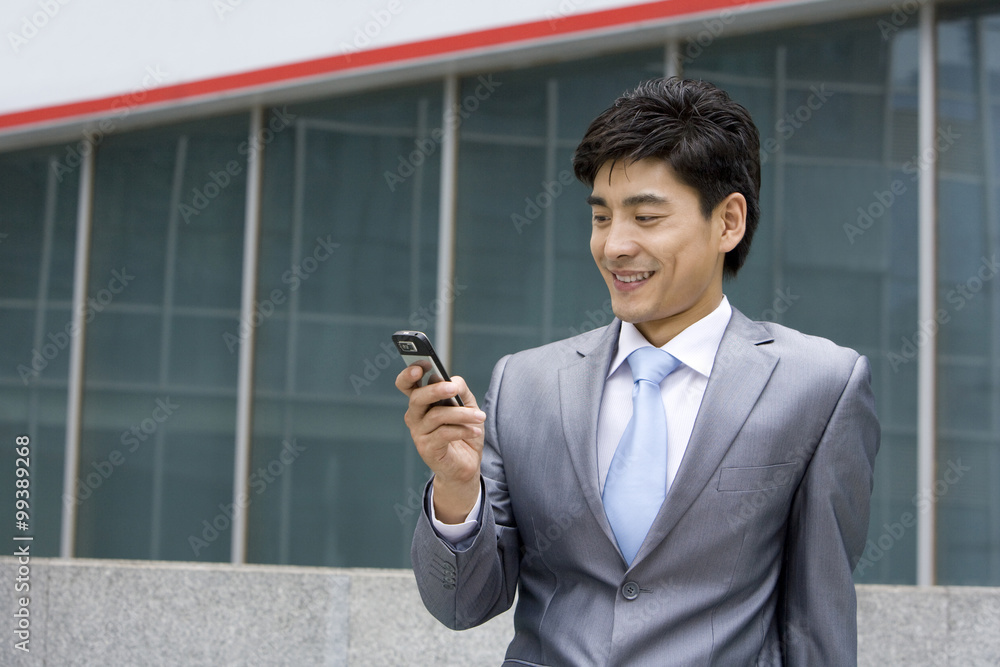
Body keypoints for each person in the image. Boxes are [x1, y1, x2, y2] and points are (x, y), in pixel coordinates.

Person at [395, 77, 880, 666]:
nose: (614, 245)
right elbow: (461, 605)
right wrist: (455, 487)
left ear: (728, 222)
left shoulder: (819, 385)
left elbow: (817, 623)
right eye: (601, 218)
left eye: (646, 218)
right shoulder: (525, 385)